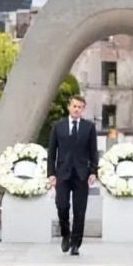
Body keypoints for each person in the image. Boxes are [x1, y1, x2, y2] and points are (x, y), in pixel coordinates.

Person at [46, 94, 98, 256]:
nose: (76, 109)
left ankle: (76, 243)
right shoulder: (58, 126)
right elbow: (52, 151)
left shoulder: (89, 127)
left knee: (79, 210)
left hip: (81, 174)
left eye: (80, 107)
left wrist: (93, 171)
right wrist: (51, 173)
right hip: (63, 173)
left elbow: (93, 151)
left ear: (83, 109)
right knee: (61, 205)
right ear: (69, 107)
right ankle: (65, 234)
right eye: (74, 106)